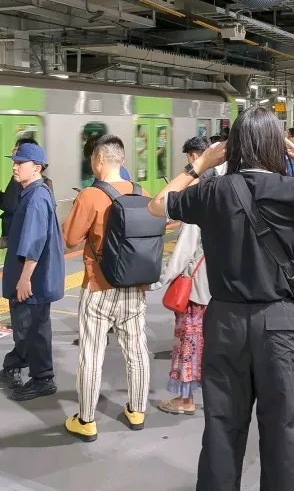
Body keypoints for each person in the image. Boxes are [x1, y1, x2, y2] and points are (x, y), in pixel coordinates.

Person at [148, 107, 294, 491]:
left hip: (223, 322)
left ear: (232, 147)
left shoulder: (211, 190)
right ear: (277, 146)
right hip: (282, 325)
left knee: (221, 429)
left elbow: (157, 206)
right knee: (286, 435)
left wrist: (200, 164)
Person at [62, 135, 150, 442]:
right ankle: (137, 410)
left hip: (99, 287)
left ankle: (86, 420)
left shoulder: (90, 195)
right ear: (121, 160)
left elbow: (71, 239)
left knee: (91, 352)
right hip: (135, 288)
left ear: (98, 161)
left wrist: (81, 207)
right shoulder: (142, 192)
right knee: (136, 350)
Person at [0, 143, 64, 400]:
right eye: (14, 162)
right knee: (32, 327)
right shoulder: (32, 193)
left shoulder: (36, 199)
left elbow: (34, 243)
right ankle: (19, 367)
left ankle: (43, 379)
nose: (14, 167)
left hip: (32, 281)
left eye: (20, 163)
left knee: (31, 329)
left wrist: (25, 279)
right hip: (32, 279)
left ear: (36, 168)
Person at [156, 220, 210, 415]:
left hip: (196, 292)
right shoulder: (229, 207)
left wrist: (158, 281)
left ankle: (186, 400)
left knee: (188, 347)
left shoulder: (195, 215)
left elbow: (181, 256)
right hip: (222, 292)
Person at [0, 137, 54, 245]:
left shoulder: (36, 195)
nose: (15, 167)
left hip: (15, 240)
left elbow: (9, 204)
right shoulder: (42, 185)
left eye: (17, 149)